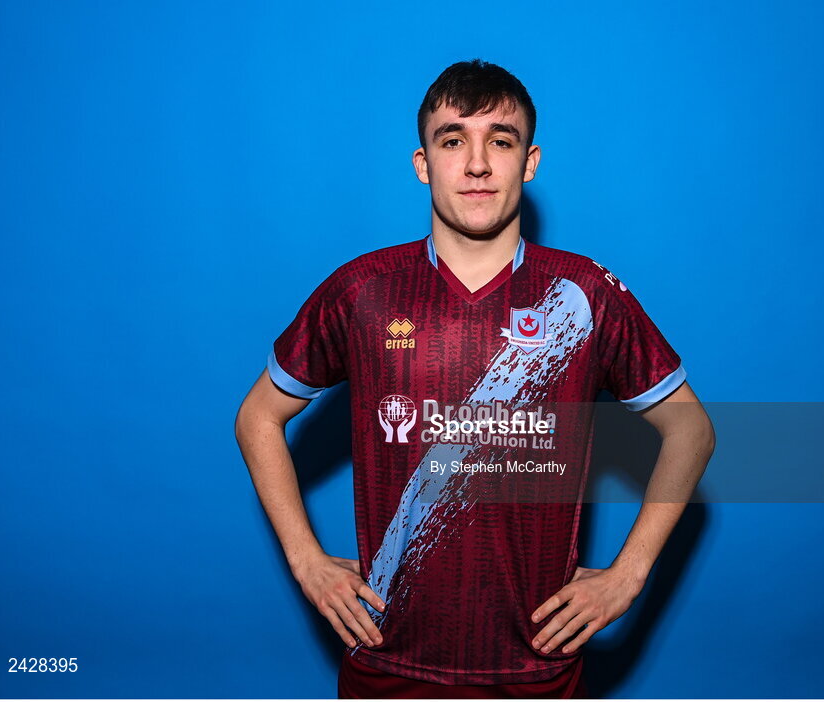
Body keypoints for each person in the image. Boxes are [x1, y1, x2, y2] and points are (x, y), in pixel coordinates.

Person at [235, 59, 716, 699]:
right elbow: (257, 416)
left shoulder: (582, 295)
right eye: (453, 140)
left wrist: (628, 575)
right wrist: (306, 560)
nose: (478, 163)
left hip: (536, 670)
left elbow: (690, 427)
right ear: (422, 163)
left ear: (531, 162)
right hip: (387, 665)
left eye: (501, 140)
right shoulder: (362, 291)